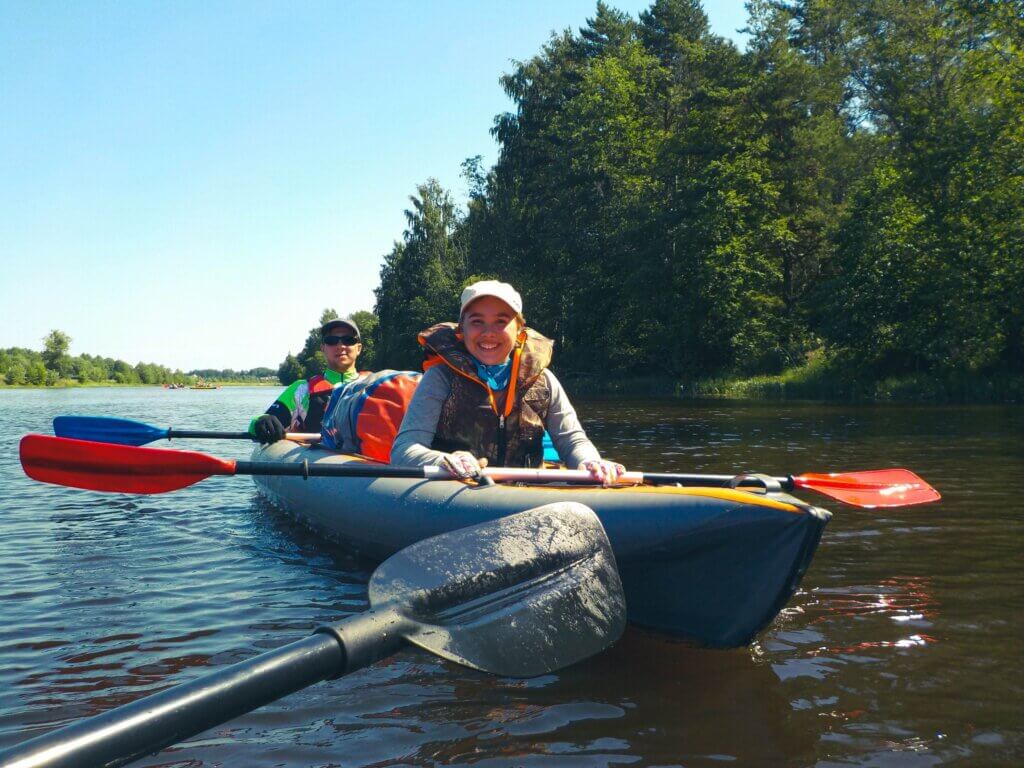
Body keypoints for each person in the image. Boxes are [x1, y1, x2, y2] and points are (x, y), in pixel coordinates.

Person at [391, 280, 626, 485]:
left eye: (501, 321)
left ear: (520, 331)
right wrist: (444, 461)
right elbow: (404, 450)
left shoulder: (544, 381)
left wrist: (590, 462)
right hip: (457, 489)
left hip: (527, 493)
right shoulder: (440, 378)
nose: (488, 333)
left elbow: (572, 441)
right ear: (462, 329)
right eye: (477, 322)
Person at [250, 318, 364, 443]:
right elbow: (259, 423)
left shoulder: (374, 387)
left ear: (358, 348)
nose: (340, 346)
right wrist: (261, 421)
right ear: (323, 348)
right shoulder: (301, 390)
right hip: (313, 460)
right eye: (332, 341)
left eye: (348, 340)